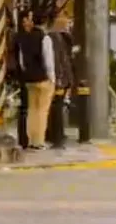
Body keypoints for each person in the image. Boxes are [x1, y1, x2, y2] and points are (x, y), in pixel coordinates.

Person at [18, 9, 55, 149]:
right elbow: (48, 60)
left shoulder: (23, 38)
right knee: (42, 111)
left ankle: (32, 139)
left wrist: (26, 72)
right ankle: (39, 141)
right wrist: (52, 78)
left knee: (32, 110)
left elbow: (22, 61)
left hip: (29, 79)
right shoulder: (44, 38)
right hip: (43, 78)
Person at [46, 13, 74, 149]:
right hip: (61, 78)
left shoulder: (59, 38)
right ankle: (56, 136)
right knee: (56, 107)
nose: (67, 24)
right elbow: (60, 60)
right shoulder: (56, 38)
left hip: (61, 78)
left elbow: (62, 59)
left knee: (57, 107)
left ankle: (56, 136)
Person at [13, 10, 34, 149]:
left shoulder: (25, 36)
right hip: (26, 76)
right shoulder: (21, 37)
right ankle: (24, 138)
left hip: (27, 75)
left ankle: (26, 138)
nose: (31, 21)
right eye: (29, 18)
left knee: (27, 107)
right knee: (26, 107)